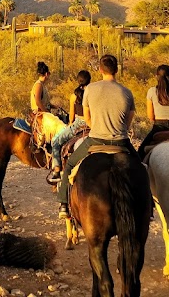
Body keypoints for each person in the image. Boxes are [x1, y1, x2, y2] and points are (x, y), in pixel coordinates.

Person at [57, 55, 136, 219]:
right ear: (117, 70)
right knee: (141, 166)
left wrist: (99, 128)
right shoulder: (127, 92)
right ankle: (147, 207)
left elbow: (87, 117)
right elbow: (128, 120)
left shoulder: (90, 90)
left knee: (70, 164)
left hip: (96, 139)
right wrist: (118, 131)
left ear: (100, 70)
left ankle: (64, 204)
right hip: (121, 141)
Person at [136, 64, 169, 154]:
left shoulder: (151, 91)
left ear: (157, 76)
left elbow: (151, 117)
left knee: (140, 152)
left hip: (158, 126)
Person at [49, 69, 91, 179]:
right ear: (89, 80)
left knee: (56, 142)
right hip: (92, 124)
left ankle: (57, 170)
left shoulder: (74, 96)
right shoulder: (93, 94)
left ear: (78, 81)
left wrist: (69, 125)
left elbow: (71, 117)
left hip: (78, 124)